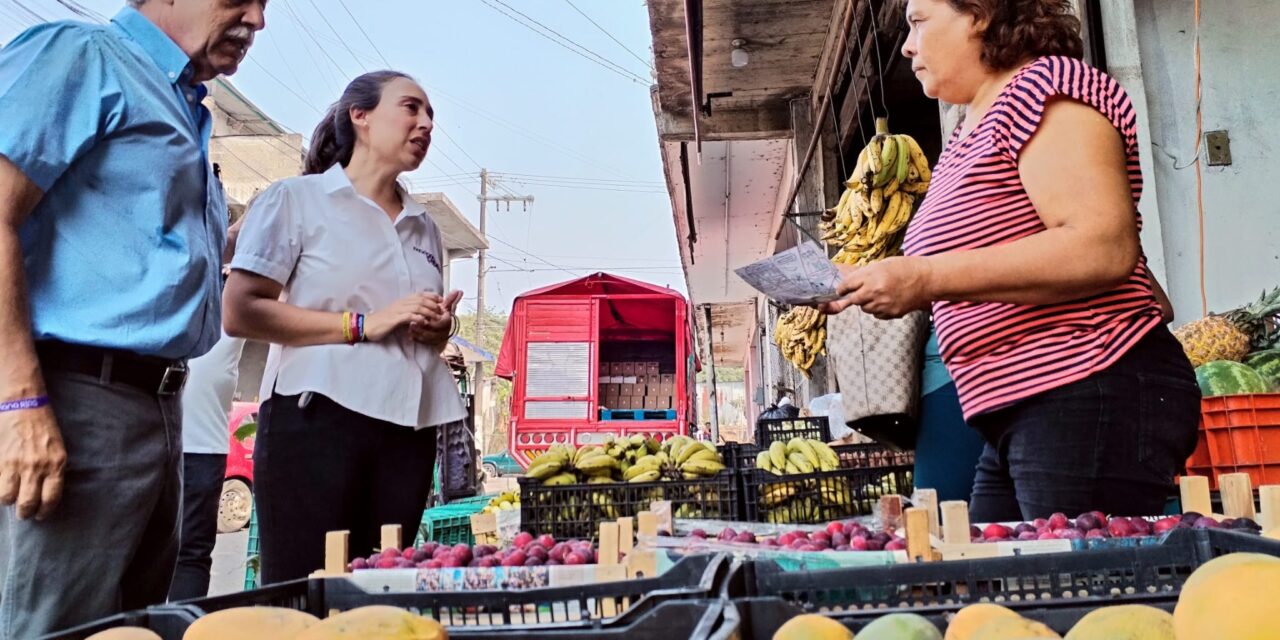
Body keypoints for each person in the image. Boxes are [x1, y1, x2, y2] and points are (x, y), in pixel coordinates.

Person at [821, 0, 1200, 522]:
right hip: (1019, 404)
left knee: (1067, 593)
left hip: (1081, 383)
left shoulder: (1044, 87)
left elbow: (1102, 247)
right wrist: (863, 281)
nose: (908, 45)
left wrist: (925, 277)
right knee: (1004, 589)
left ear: (979, 13)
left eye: (918, 21)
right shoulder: (972, 127)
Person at [0, 1, 264, 634]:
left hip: (159, 406)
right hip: (77, 399)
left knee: (128, 630)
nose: (257, 19)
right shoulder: (84, 57)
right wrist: (18, 404)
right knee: (60, 626)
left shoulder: (183, 104)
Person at [223, 70, 466, 583]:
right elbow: (241, 309)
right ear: (360, 116)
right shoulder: (296, 199)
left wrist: (436, 329)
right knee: (307, 593)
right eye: (410, 108)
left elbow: (412, 327)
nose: (425, 124)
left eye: (431, 117)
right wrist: (365, 323)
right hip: (315, 420)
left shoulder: (425, 225)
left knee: (382, 594)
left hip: (410, 432)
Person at [169, 213, 251, 602]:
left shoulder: (246, 285)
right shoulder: (188, 267)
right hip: (156, 428)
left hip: (204, 446)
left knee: (192, 555)